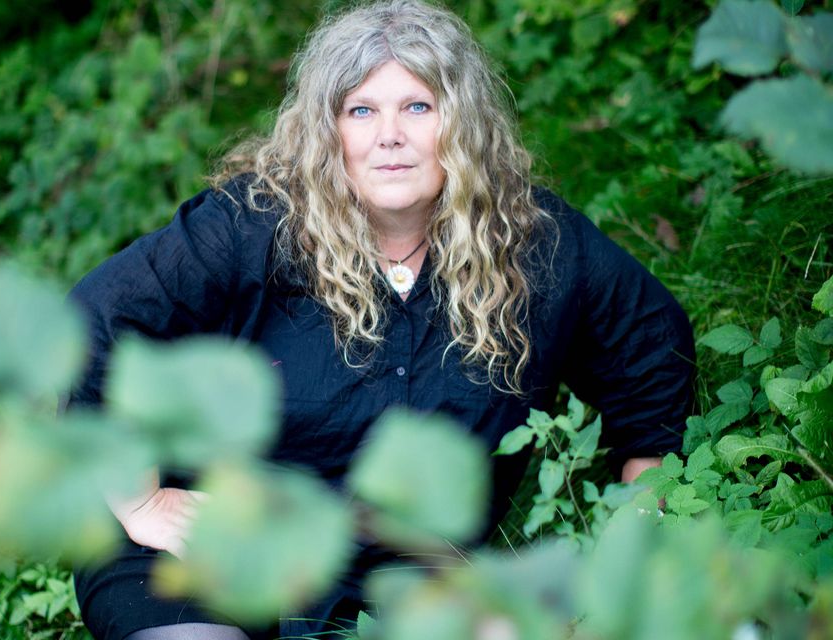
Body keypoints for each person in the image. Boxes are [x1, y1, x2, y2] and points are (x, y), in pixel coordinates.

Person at [66, 1, 695, 638]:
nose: (389, 135)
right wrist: (144, 501)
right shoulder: (250, 227)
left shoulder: (534, 246)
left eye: (418, 107)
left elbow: (651, 351)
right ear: (327, 130)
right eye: (361, 110)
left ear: (463, 124)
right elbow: (97, 319)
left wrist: (642, 523)